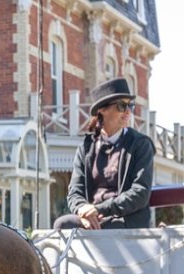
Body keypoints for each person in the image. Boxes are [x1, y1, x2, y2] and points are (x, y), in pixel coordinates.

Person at [54, 78, 155, 230]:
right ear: (102, 110)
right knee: (62, 224)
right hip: (93, 218)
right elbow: (74, 192)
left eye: (130, 105)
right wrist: (83, 210)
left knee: (110, 226)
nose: (128, 111)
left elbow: (140, 193)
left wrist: (99, 210)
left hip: (125, 219)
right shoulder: (86, 148)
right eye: (122, 105)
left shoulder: (141, 144)